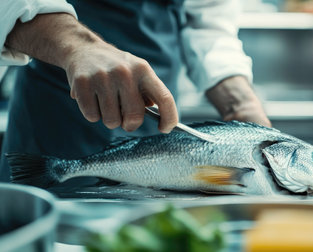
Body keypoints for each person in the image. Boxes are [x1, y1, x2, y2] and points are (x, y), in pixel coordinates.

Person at [0, 0, 271, 184]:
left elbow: (207, 23)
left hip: (154, 118)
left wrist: (242, 105)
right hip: (58, 106)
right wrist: (77, 46)